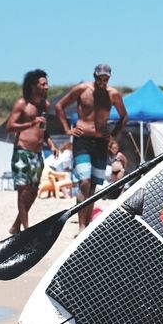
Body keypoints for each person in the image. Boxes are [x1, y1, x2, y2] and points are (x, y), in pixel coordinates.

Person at [55, 64, 128, 229]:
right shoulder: (82, 89)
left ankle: (86, 224)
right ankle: (81, 226)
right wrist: (67, 129)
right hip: (82, 140)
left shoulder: (113, 94)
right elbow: (60, 106)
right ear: (95, 76)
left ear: (109, 77)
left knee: (94, 185)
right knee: (84, 182)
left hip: (101, 142)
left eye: (106, 77)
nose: (102, 80)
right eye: (100, 77)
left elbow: (124, 116)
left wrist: (113, 135)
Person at [7, 69, 52, 235]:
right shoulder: (22, 104)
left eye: (47, 83)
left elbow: (43, 129)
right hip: (22, 151)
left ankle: (15, 226)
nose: (47, 87)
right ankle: (26, 229)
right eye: (43, 84)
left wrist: (51, 144)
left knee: (33, 192)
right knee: (22, 190)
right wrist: (31, 123)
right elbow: (10, 127)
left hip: (38, 153)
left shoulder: (45, 106)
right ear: (34, 86)